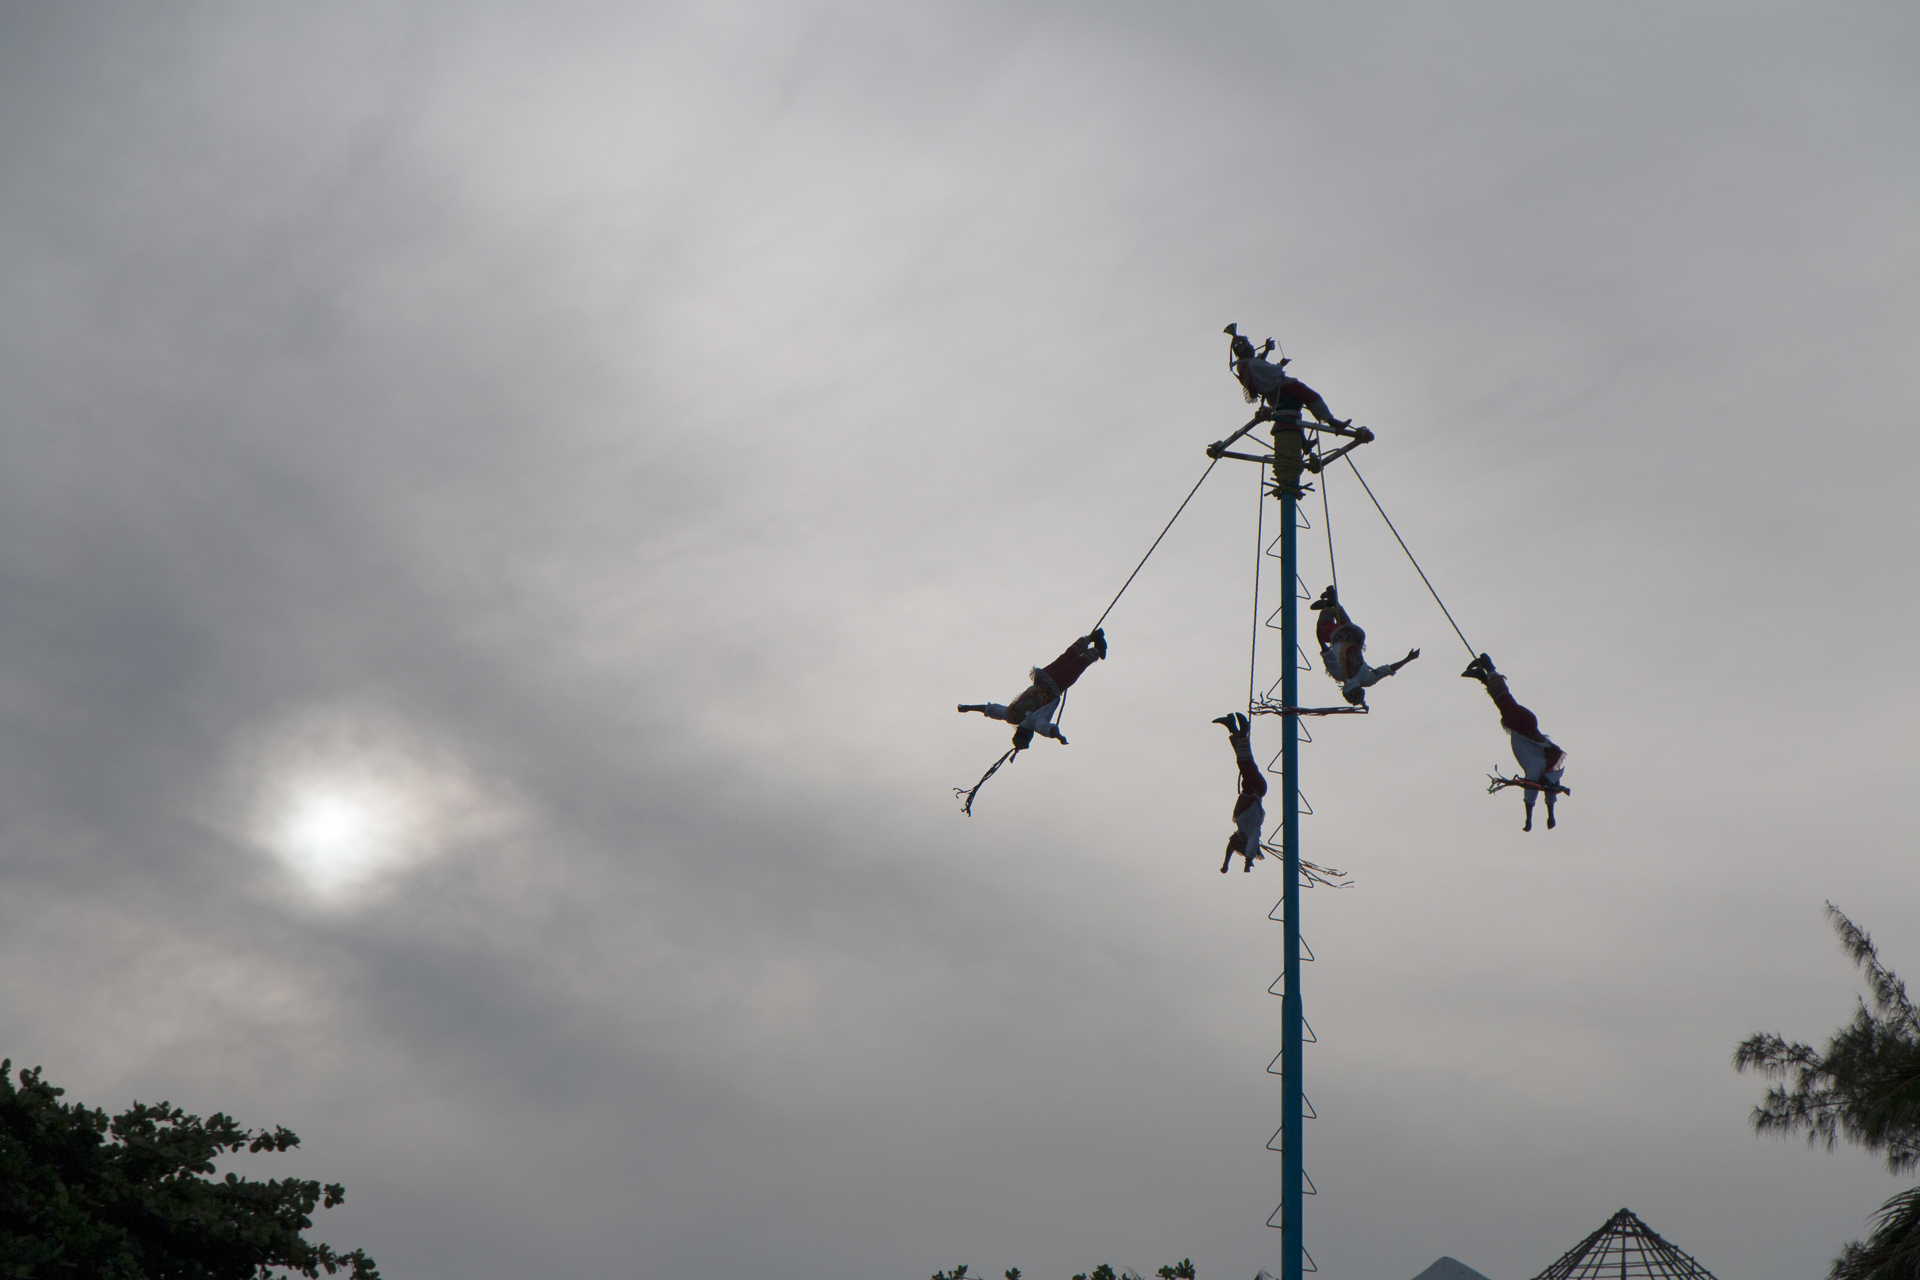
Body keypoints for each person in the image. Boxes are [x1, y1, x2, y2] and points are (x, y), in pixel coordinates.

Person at [1461, 653, 1567, 831]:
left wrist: (1550, 817)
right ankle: (1489, 667)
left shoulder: (1548, 771)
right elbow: (1531, 795)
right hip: (1523, 725)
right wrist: (1529, 821)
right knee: (1505, 702)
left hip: (1522, 727)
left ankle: (1484, 677)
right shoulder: (1538, 767)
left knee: (1503, 704)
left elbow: (1550, 796)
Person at [959, 629, 1107, 750]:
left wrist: (1059, 737)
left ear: (1028, 734)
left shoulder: (1034, 722)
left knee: (1078, 665)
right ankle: (1090, 638)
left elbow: (1048, 729)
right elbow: (989, 709)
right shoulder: (1011, 715)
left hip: (1056, 685)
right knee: (1066, 657)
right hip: (1042, 678)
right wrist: (968, 707)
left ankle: (1097, 649)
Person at [1309, 585, 1419, 706]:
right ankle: (1327, 607)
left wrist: (1408, 659)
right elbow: (1328, 655)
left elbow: (1388, 670)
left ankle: (1333, 600)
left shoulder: (1367, 680)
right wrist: (1320, 641)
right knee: (1325, 631)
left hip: (1356, 635)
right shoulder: (1340, 674)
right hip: (1340, 636)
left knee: (1344, 623)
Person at [1212, 712, 1267, 873]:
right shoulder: (1252, 830)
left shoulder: (1240, 828)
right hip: (1256, 788)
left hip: (1248, 788)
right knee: (1245, 761)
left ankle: (1232, 728)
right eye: (1241, 842)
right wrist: (1247, 862)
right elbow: (1252, 844)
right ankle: (1243, 731)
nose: (1238, 839)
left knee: (1242, 761)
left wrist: (1225, 864)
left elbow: (1230, 845)